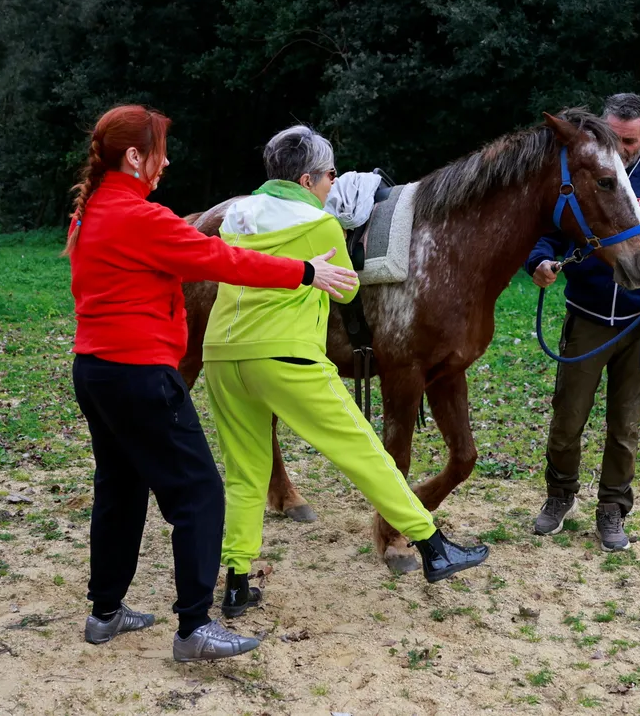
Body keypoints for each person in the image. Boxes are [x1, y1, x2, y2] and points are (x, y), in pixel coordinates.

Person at [67, 106, 357, 662]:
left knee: (120, 488)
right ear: (134, 157)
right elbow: (221, 259)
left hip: (95, 371)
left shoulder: (90, 214)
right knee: (199, 494)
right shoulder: (141, 218)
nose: (167, 160)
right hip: (140, 375)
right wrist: (305, 272)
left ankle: (104, 613)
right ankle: (194, 626)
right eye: (159, 150)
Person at [202, 125, 489, 617]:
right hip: (284, 355)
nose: (333, 185)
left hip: (222, 356)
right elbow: (349, 292)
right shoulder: (320, 224)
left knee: (245, 475)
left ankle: (236, 582)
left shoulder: (238, 215)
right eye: (331, 176)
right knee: (363, 454)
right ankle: (433, 546)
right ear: (309, 178)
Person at [526, 94, 640, 550]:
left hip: (638, 326)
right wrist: (541, 262)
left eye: (628, 139)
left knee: (625, 427)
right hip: (586, 318)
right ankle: (559, 496)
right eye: (612, 137)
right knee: (567, 420)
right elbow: (549, 230)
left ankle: (612, 509)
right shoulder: (586, 180)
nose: (619, 148)